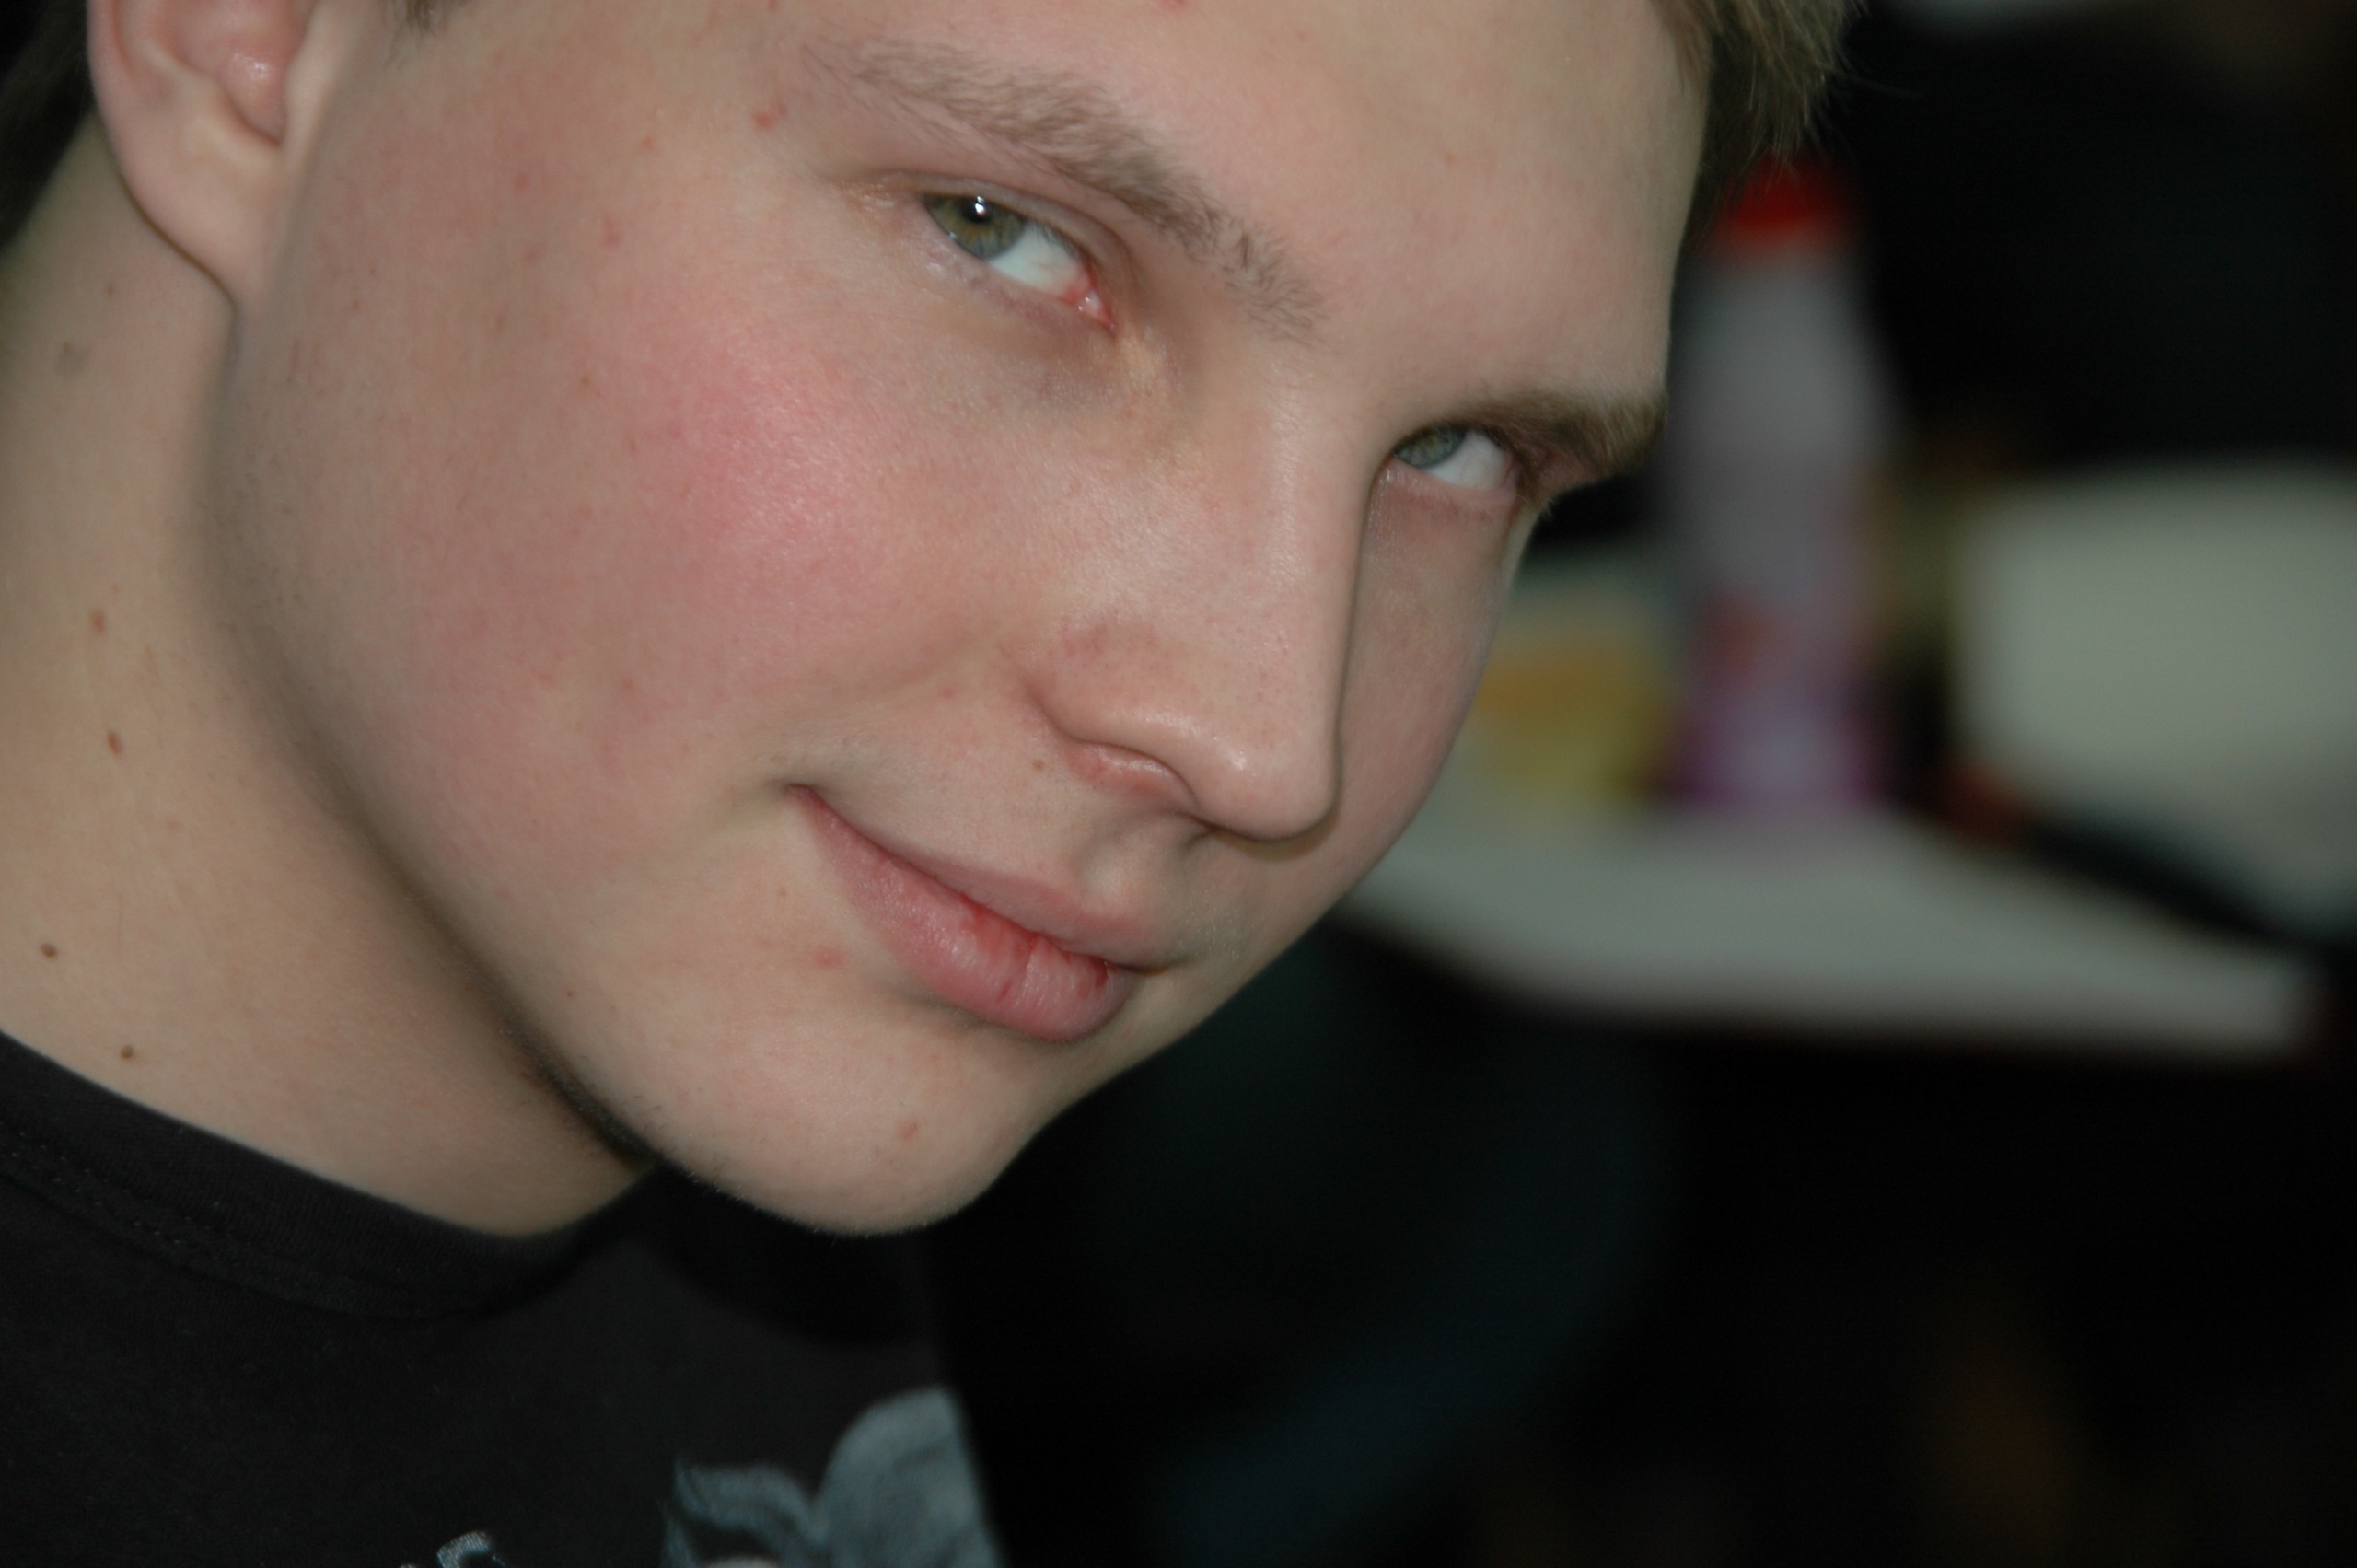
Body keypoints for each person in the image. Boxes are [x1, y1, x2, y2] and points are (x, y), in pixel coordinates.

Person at [0, 0, 1848, 1561]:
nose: (1268, 745)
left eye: (1461, 452)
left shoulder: (714, 1058)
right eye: (1001, 234)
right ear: (250, 37)